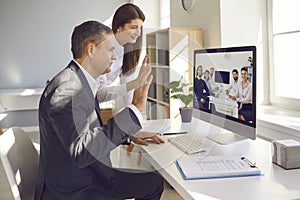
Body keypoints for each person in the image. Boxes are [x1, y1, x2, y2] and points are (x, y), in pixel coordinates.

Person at [34, 20, 164, 200]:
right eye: (110, 50)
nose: (114, 57)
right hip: (76, 189)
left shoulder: (79, 81)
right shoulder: (67, 89)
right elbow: (82, 151)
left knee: (152, 182)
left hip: (88, 175)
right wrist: (137, 105)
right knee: (152, 184)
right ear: (91, 49)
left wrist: (128, 133)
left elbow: (87, 132)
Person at [97, 3, 147, 112]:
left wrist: (135, 113)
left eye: (140, 28)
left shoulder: (127, 51)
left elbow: (127, 88)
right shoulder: (103, 48)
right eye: (134, 27)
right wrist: (135, 83)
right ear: (119, 28)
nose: (138, 33)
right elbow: (99, 94)